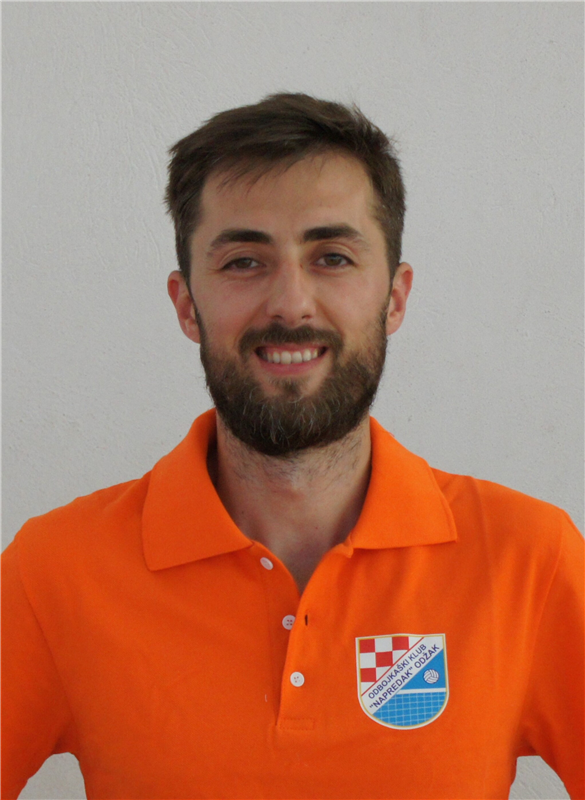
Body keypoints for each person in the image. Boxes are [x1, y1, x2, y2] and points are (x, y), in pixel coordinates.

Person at [1, 92, 583, 800]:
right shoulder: (53, 571)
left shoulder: (529, 559)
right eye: (244, 262)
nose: (290, 304)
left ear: (395, 298)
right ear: (186, 304)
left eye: (332, 257)